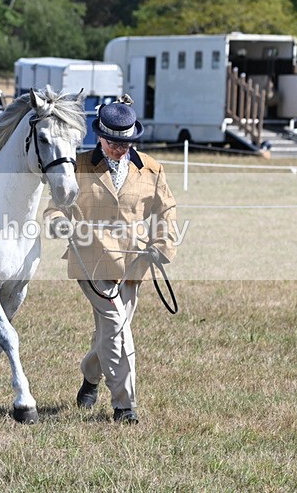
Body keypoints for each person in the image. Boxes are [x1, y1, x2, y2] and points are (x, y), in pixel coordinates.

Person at [43, 95, 178, 424]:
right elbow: (54, 207)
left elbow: (167, 213)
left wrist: (163, 245)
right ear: (100, 137)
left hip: (134, 264)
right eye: (114, 142)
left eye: (126, 142)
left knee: (110, 331)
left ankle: (91, 375)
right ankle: (124, 406)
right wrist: (58, 221)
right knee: (117, 327)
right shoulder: (78, 166)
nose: (120, 148)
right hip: (91, 260)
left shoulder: (152, 169)